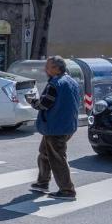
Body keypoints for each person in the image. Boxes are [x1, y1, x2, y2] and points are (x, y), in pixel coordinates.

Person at [28, 55, 82, 200]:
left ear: (56, 69)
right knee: (45, 153)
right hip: (66, 126)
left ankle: (67, 191)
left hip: (56, 127)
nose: (45, 69)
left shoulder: (55, 84)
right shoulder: (71, 81)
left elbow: (44, 105)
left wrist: (32, 101)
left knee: (57, 158)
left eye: (48, 66)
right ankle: (42, 183)